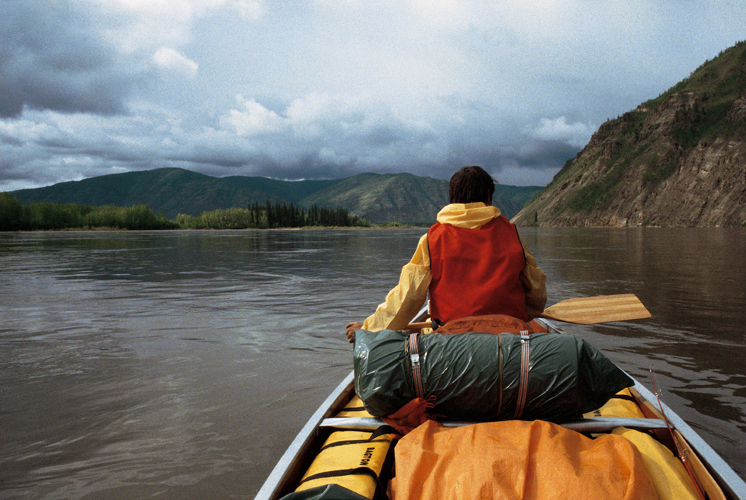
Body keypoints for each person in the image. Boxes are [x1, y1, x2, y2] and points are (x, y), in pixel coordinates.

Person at [346, 166, 546, 342]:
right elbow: (536, 293)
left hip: (451, 341)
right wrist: (526, 314)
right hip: (512, 337)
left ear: (452, 198)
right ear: (488, 196)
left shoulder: (432, 239)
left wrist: (367, 329)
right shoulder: (513, 235)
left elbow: (407, 299)